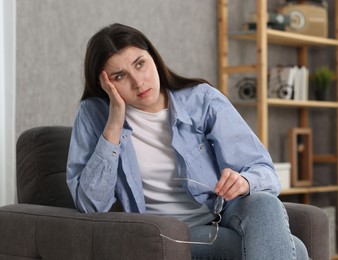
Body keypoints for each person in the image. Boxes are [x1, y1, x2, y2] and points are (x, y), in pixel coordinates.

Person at [66, 23, 308, 260]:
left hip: (220, 216)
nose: (138, 82)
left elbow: (265, 172)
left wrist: (244, 181)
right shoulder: (93, 114)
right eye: (120, 76)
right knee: (295, 249)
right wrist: (115, 120)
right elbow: (91, 205)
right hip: (165, 234)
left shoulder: (202, 99)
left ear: (153, 57)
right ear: (105, 83)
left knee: (264, 203)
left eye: (140, 64)